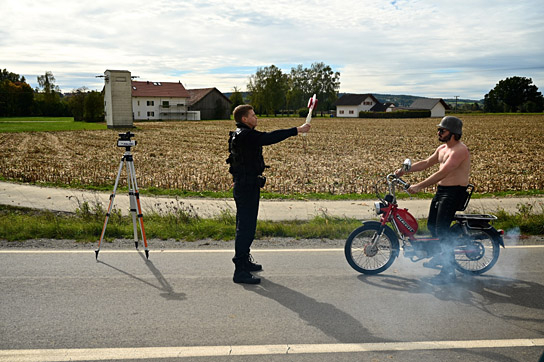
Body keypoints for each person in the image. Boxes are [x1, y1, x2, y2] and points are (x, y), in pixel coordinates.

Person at [226, 105, 311, 284]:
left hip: (245, 184)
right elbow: (269, 137)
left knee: (245, 226)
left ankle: (245, 262)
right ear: (244, 119)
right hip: (246, 186)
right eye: (253, 115)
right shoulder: (246, 135)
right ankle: (239, 270)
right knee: (245, 228)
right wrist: (297, 130)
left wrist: (236, 177)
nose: (256, 118)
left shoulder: (240, 134)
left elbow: (237, 160)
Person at [395, 116, 470, 284]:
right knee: (432, 226)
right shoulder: (443, 148)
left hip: (454, 192)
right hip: (442, 191)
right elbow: (426, 163)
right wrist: (403, 171)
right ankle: (440, 254)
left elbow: (442, 173)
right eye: (439, 129)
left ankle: (449, 271)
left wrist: (419, 186)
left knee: (442, 230)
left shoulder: (460, 150)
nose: (438, 132)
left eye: (442, 130)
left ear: (453, 133)